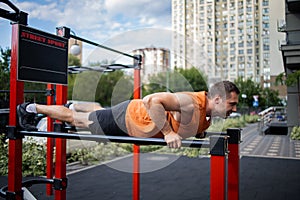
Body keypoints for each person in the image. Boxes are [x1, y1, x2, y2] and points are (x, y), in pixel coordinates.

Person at [17, 80, 240, 148]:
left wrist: (197, 132)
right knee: (76, 120)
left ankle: (75, 103)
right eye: (232, 104)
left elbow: (192, 125)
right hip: (128, 119)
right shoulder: (192, 103)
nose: (235, 109)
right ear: (217, 99)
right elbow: (151, 100)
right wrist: (169, 132)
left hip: (131, 117)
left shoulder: (207, 117)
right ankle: (30, 108)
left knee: (97, 112)